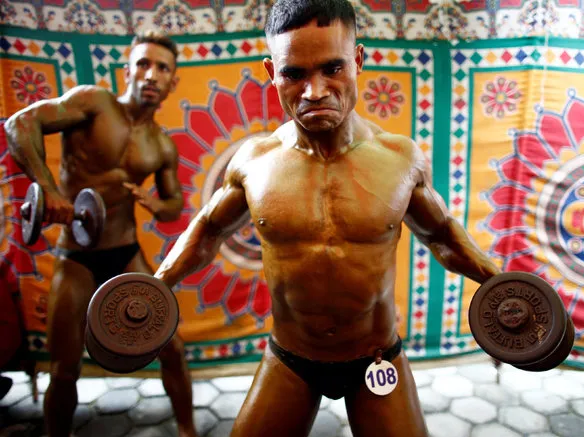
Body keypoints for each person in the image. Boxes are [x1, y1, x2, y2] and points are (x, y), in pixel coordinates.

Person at [152, 1, 501, 436]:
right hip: (291, 358)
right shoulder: (254, 161)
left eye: (332, 68)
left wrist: (500, 288)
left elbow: (443, 235)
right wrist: (156, 288)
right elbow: (208, 228)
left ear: (357, 60)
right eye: (293, 74)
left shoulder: (400, 157)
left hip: (376, 358)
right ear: (271, 72)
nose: (314, 91)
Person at [4, 31, 197, 437]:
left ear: (172, 82)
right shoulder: (94, 103)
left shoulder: (161, 145)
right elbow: (21, 123)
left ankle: (187, 430)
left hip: (126, 253)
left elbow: (175, 205)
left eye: (162, 68)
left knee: (173, 349)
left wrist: (152, 202)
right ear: (127, 70)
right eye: (143, 64)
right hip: (75, 256)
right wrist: (51, 191)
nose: (151, 75)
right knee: (64, 368)